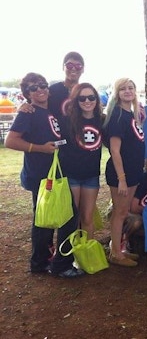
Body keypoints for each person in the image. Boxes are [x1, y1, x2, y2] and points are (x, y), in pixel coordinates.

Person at [4, 72, 84, 278]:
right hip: (41, 175)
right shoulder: (28, 113)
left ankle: (41, 261)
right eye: (33, 88)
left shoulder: (47, 112)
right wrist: (39, 147)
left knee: (45, 218)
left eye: (42, 85)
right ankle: (60, 264)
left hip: (52, 173)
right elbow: (10, 141)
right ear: (27, 94)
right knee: (67, 216)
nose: (40, 89)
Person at [104, 78, 145, 267]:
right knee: (120, 213)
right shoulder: (118, 116)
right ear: (117, 93)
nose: (127, 91)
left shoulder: (132, 115)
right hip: (122, 174)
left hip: (134, 172)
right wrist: (121, 179)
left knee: (124, 211)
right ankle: (115, 254)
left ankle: (119, 248)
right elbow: (115, 150)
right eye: (123, 89)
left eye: (131, 88)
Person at [59, 83, 103, 239]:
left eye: (91, 97)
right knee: (71, 218)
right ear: (76, 101)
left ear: (96, 99)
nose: (87, 101)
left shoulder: (102, 120)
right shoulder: (67, 121)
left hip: (91, 176)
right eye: (82, 98)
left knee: (87, 218)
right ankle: (68, 257)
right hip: (71, 175)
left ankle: (87, 255)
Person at [49, 51, 85, 117]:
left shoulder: (85, 92)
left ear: (83, 69)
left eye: (78, 66)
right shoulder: (52, 90)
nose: (74, 69)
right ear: (63, 67)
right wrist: (24, 105)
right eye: (70, 65)